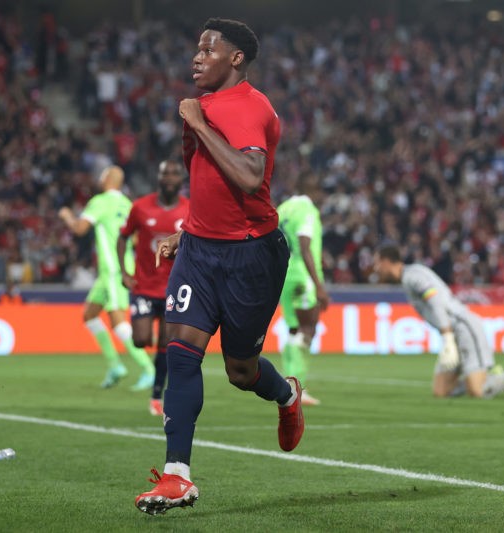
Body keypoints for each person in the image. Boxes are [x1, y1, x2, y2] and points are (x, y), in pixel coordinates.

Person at [135, 18, 304, 516]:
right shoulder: (201, 109)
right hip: (200, 251)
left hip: (252, 254)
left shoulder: (249, 106)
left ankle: (286, 393)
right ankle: (176, 476)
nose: (196, 58)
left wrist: (199, 124)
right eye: (196, 49)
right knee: (182, 351)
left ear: (235, 59)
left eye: (208, 50)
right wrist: (185, 228)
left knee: (239, 370)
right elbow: (210, 184)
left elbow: (250, 178)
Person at [372, 244, 504, 398]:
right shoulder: (408, 278)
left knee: (477, 391)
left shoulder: (413, 275)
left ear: (388, 262)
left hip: (462, 327)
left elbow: (435, 300)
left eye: (377, 263)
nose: (376, 269)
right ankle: (493, 380)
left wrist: (447, 336)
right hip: (452, 333)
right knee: (441, 392)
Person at [59, 165, 155, 391]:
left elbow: (80, 229)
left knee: (118, 321)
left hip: (112, 269)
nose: (99, 178)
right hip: (117, 268)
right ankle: (115, 366)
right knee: (90, 314)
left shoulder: (100, 201)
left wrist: (66, 216)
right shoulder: (128, 204)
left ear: (108, 179)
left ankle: (148, 369)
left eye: (102, 175)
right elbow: (136, 240)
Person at [117, 159, 190, 416]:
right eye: (165, 174)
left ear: (181, 180)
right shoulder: (140, 208)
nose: (170, 178)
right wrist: (124, 272)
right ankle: (155, 385)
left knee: (167, 345)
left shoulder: (190, 210)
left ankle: (157, 395)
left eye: (175, 174)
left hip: (175, 287)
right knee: (140, 339)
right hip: (145, 286)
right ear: (159, 179)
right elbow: (123, 237)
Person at [276, 193, 330, 406]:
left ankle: (287, 386)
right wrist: (318, 285)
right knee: (308, 330)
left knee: (293, 330)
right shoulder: (307, 210)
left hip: (284, 275)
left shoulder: (283, 209)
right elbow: (304, 245)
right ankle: (298, 388)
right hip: (302, 275)